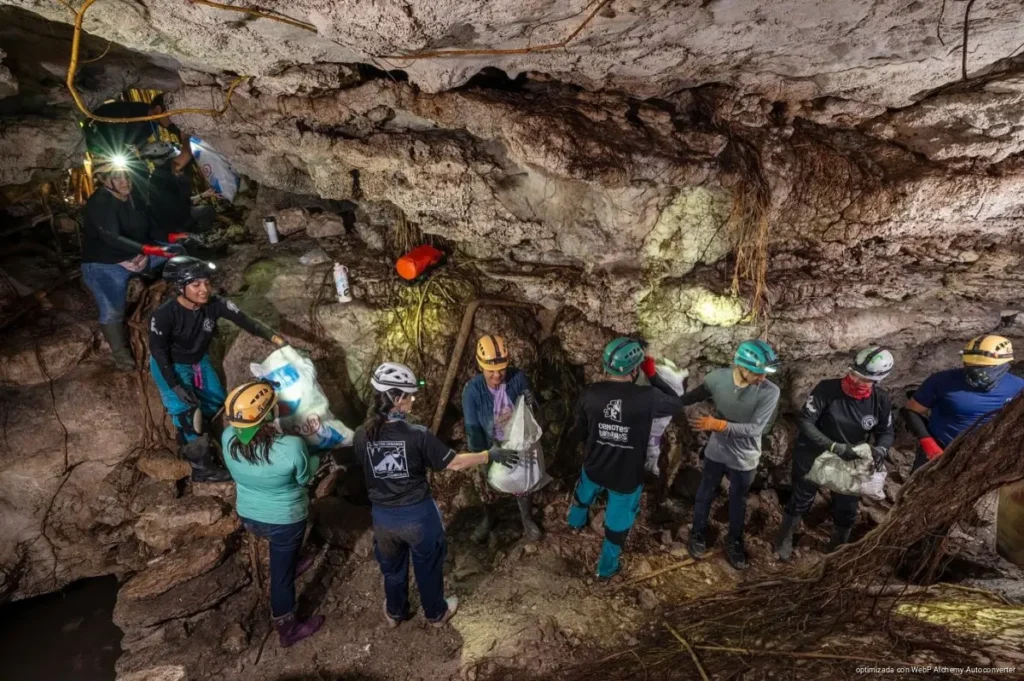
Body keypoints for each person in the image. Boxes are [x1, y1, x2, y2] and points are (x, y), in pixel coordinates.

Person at [357, 362, 519, 627]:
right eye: (408, 395)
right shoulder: (416, 435)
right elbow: (454, 462)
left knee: (393, 568)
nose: (413, 399)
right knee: (428, 566)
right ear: (396, 400)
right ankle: (435, 613)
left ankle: (395, 612)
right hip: (417, 514)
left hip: (382, 517)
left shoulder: (362, 435)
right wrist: (490, 454)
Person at [149, 256, 287, 481]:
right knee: (186, 412)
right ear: (180, 288)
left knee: (216, 401)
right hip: (171, 364)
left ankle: (201, 438)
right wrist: (174, 384)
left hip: (198, 361)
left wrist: (275, 338)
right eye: (196, 285)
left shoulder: (215, 305)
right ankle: (201, 468)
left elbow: (245, 321)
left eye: (206, 283)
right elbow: (158, 351)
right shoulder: (164, 315)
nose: (204, 289)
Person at [566, 338, 686, 580]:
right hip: (625, 474)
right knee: (617, 523)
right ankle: (605, 568)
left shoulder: (590, 393)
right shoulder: (648, 396)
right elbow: (676, 403)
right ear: (634, 369)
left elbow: (578, 431)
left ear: (605, 366)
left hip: (595, 464)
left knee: (584, 494)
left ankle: (574, 523)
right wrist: (652, 375)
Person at [221, 380, 325, 648]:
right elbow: (304, 479)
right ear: (268, 414)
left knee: (284, 553)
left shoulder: (227, 438)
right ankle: (287, 629)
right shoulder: (291, 446)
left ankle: (291, 561)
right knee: (281, 578)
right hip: (285, 521)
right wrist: (316, 457)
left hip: (249, 516)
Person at [774, 347, 895, 561]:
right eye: (854, 374)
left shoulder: (881, 400)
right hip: (815, 452)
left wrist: (881, 450)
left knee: (847, 505)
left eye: (864, 379)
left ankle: (837, 549)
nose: (856, 381)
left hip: (850, 458)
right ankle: (784, 539)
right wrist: (833, 447)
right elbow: (806, 421)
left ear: (878, 380)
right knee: (802, 496)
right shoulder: (827, 390)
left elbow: (885, 431)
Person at [683, 339, 781, 570]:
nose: (762, 378)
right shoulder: (717, 378)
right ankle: (697, 533)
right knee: (705, 492)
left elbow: (755, 429)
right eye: (757, 372)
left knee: (738, 499)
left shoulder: (770, 392)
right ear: (741, 367)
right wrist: (661, 401)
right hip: (717, 451)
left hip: (744, 457)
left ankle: (734, 540)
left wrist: (717, 425)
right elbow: (693, 396)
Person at [81, 158, 186, 371]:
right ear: (103, 180)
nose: (124, 181)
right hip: (106, 266)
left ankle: (181, 299)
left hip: (138, 257)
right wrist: (147, 250)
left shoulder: (133, 198)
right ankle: (121, 356)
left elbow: (149, 229)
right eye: (117, 177)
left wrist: (172, 237)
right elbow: (112, 237)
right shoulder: (100, 202)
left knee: (178, 253)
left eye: (126, 175)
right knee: (113, 312)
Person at [462, 335, 543, 543]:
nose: (497, 375)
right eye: (491, 371)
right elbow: (473, 429)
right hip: (489, 443)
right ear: (481, 367)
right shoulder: (472, 391)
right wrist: (487, 455)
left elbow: (533, 415)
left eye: (502, 369)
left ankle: (526, 518)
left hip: (515, 440)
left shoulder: (518, 378)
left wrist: (534, 402)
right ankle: (489, 517)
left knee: (522, 477)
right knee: (483, 482)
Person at [903, 335, 1024, 471]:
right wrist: (928, 443)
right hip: (939, 452)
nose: (975, 370)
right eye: (970, 364)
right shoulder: (942, 381)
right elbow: (911, 411)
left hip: (988, 458)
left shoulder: (1018, 387)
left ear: (1003, 365)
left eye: (983, 366)